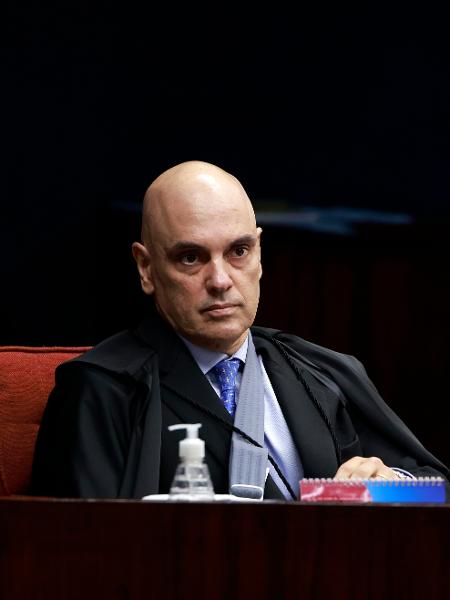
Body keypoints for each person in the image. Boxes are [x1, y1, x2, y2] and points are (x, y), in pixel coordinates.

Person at [30, 160, 449, 500]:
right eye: (191, 257)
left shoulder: (324, 372)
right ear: (146, 268)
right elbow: (79, 549)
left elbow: (436, 489)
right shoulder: (103, 388)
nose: (220, 280)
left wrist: (385, 484)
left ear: (259, 254)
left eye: (239, 251)